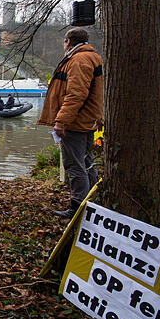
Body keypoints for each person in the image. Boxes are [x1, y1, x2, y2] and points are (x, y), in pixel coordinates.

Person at [37, 28, 103, 218]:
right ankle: (92, 198)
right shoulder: (91, 57)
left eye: (64, 41)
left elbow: (76, 94)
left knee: (74, 164)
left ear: (68, 41)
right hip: (86, 120)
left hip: (76, 122)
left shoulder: (78, 60)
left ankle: (78, 205)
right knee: (86, 160)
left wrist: (61, 121)